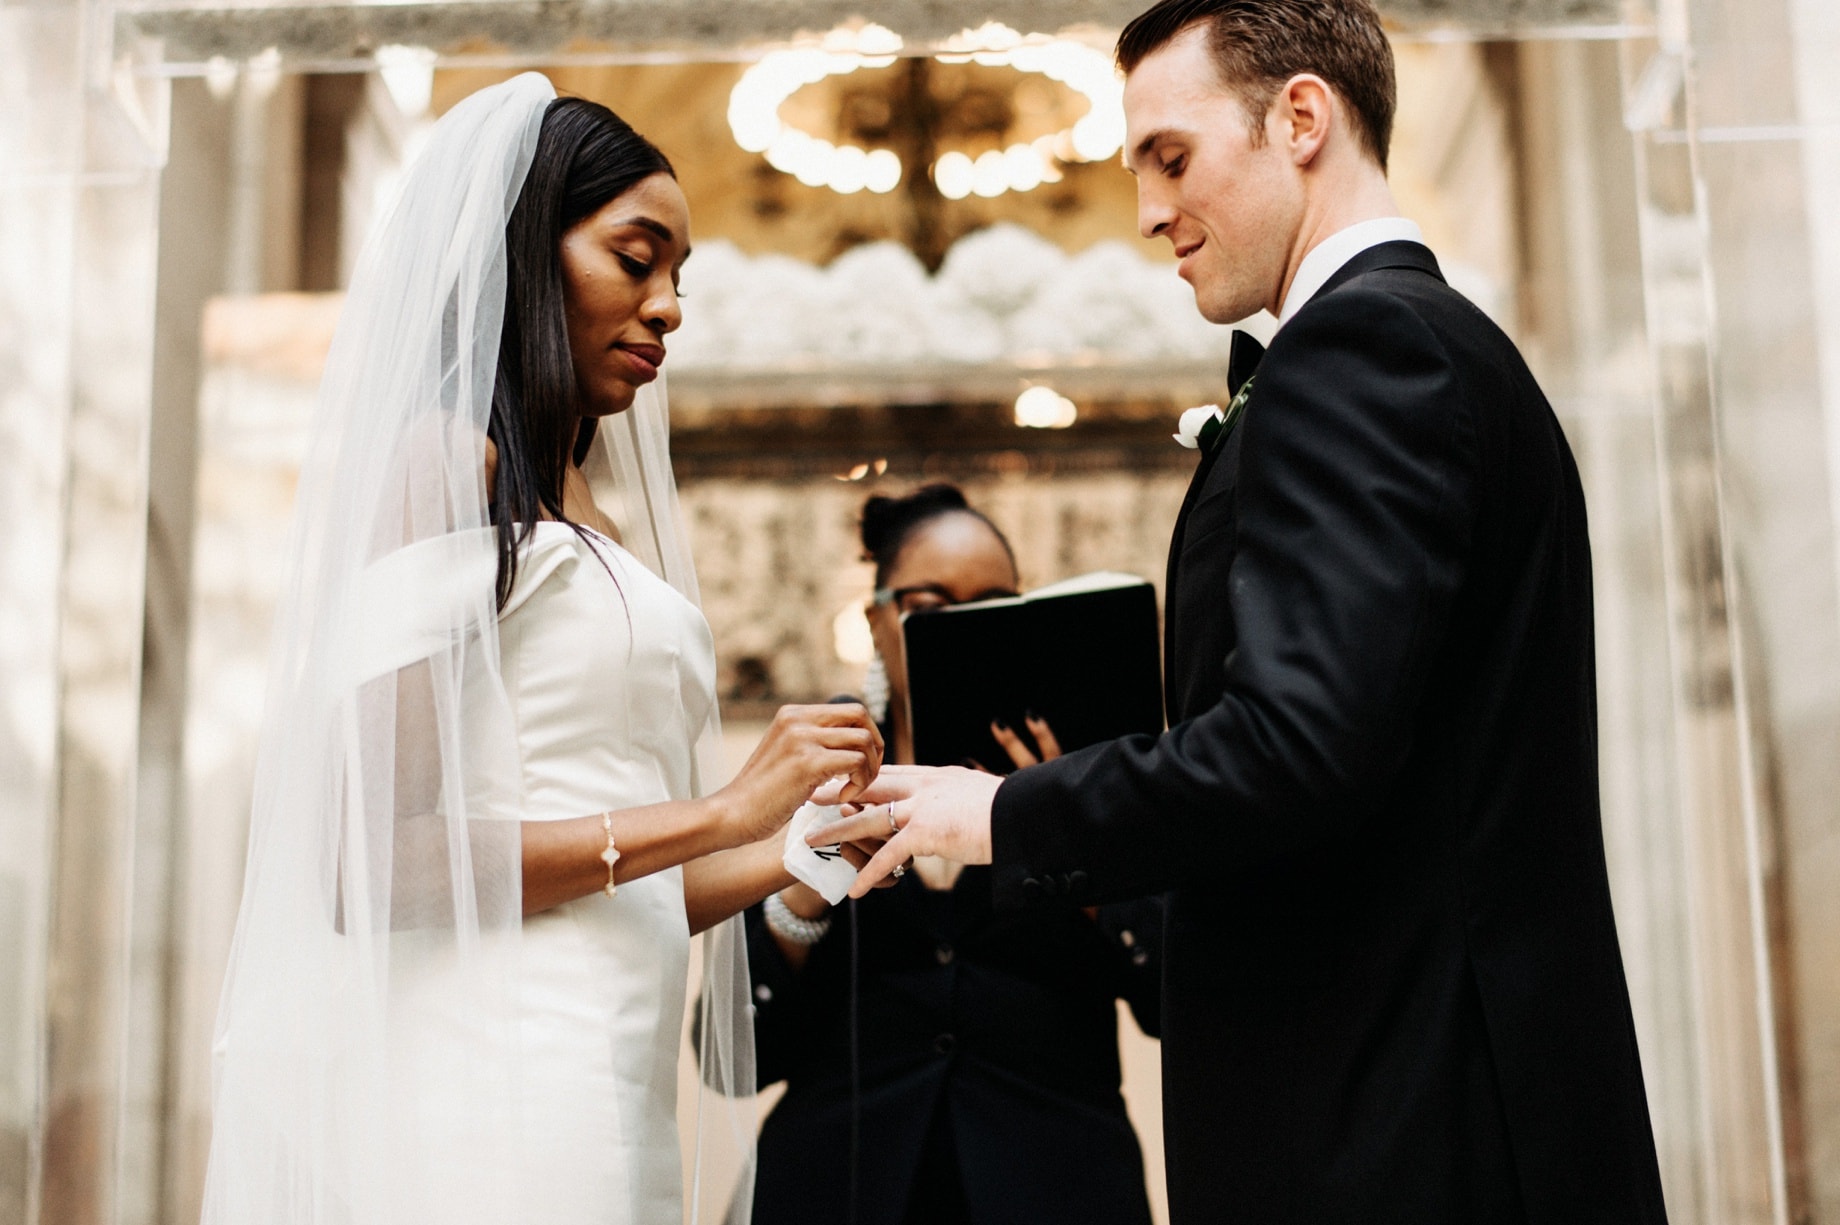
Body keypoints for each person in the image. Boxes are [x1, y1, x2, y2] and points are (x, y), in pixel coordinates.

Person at [813, 3, 1671, 1223]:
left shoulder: (1364, 350)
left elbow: (1297, 745)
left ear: (1302, 118)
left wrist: (1002, 808)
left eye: (1172, 157)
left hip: (1394, 1128)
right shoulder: (1430, 347)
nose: (1151, 211)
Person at [200, 75, 880, 1225]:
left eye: (680, 278)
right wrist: (725, 809)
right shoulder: (443, 463)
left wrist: (801, 845)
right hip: (490, 1077)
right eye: (635, 257)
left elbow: (623, 883)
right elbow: (370, 862)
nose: (667, 305)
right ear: (525, 253)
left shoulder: (590, 513)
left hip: (609, 1070)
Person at [745, 484, 1163, 1225]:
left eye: (993, 606)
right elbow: (739, 1051)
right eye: (933, 607)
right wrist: (812, 872)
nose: (964, 630)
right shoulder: (810, 773)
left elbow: (1168, 992)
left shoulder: (1085, 776)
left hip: (1057, 1186)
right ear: (878, 621)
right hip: (838, 1186)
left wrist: (1057, 823)